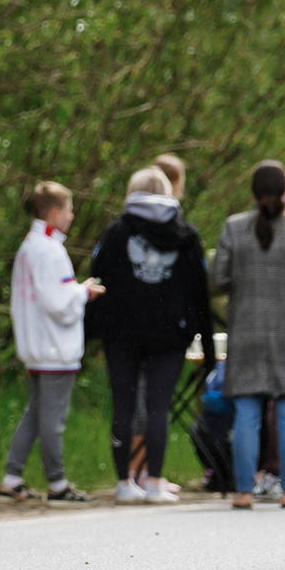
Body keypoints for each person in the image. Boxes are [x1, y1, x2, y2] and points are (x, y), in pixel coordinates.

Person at [90, 165, 212, 504]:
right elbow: (199, 290)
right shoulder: (186, 234)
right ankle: (155, 482)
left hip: (122, 333)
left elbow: (99, 278)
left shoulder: (117, 231)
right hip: (170, 335)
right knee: (159, 407)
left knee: (124, 407)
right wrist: (203, 337)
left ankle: (124, 482)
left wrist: (94, 329)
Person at [211, 160, 285, 510]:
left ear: (253, 191)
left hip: (246, 331)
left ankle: (245, 492)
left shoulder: (234, 227)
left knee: (247, 412)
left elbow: (218, 279)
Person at [0, 181, 104, 502]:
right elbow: (59, 302)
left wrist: (76, 290)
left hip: (36, 345)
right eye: (70, 210)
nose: (72, 217)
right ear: (55, 212)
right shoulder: (50, 250)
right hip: (54, 348)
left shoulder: (30, 245)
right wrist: (84, 292)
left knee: (35, 414)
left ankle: (12, 478)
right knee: (52, 421)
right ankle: (58, 483)